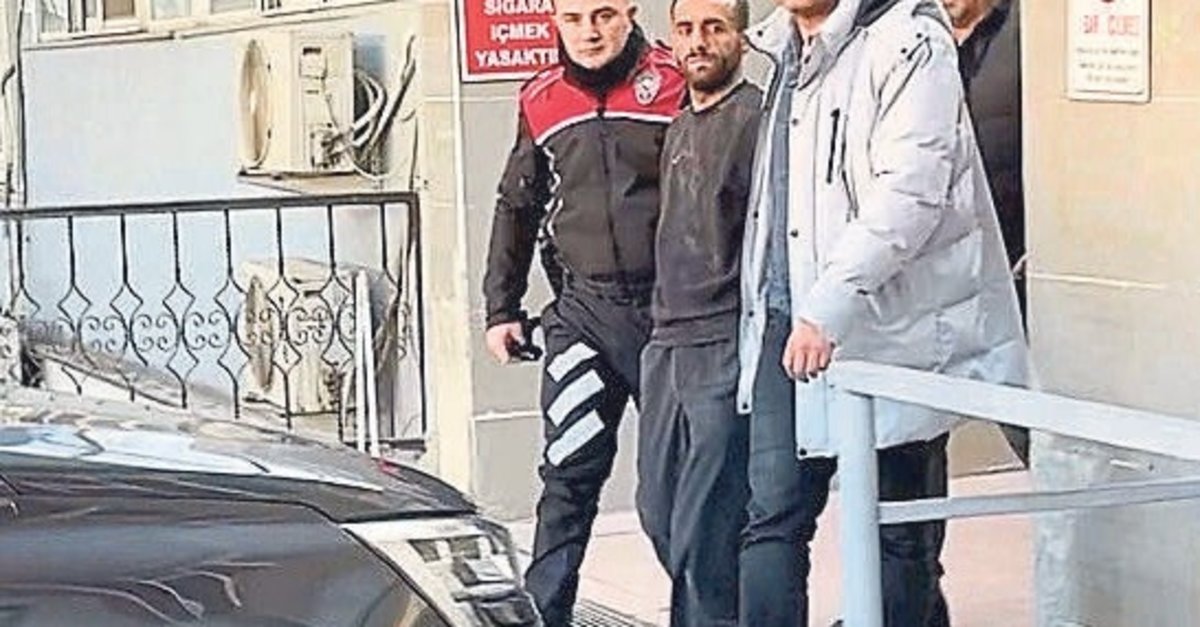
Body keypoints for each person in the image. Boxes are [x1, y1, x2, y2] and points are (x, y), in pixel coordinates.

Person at [735, 0, 1030, 626]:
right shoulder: (782, 47)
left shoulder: (909, 41)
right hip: (788, 319)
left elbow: (909, 195)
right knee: (773, 522)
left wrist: (829, 306)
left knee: (900, 532)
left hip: (894, 329)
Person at [481, 0, 685, 623]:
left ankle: (706, 614)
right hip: (582, 316)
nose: (589, 31)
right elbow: (516, 204)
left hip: (670, 319)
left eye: (603, 14)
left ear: (629, 12)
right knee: (567, 476)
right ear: (556, 22)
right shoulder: (540, 96)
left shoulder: (673, 81)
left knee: (678, 492)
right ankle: (545, 616)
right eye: (573, 18)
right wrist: (501, 307)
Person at [633, 0, 759, 624]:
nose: (698, 42)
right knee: (657, 510)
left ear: (742, 37)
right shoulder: (679, 123)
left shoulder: (758, 118)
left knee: (708, 524)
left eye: (714, 28)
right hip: (666, 341)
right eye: (685, 30)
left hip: (724, 339)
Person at [945, 0, 1029, 465]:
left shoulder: (1025, 31)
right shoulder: (917, 38)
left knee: (1029, 418)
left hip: (1020, 269)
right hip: (946, 271)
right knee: (922, 425)